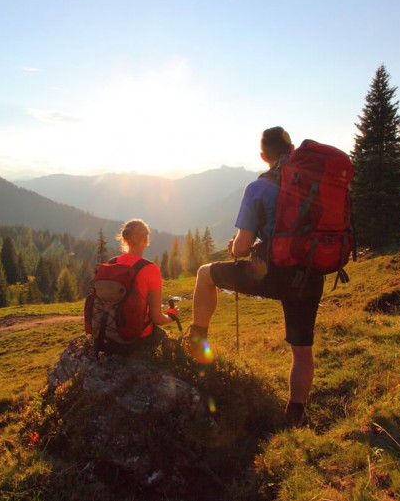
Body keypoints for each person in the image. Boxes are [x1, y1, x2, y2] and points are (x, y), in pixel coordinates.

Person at [184, 127, 324, 428]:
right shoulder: (316, 181)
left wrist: (234, 247)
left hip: (272, 274)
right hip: (311, 272)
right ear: (292, 147)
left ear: (263, 156)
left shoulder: (258, 188)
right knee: (302, 349)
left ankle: (197, 341)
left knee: (205, 274)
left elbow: (243, 246)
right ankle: (296, 414)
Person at [111, 218, 180, 350]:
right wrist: (172, 315)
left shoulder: (111, 263)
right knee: (171, 345)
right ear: (146, 239)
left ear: (124, 239)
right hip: (137, 337)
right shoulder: (150, 269)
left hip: (109, 333)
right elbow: (157, 318)